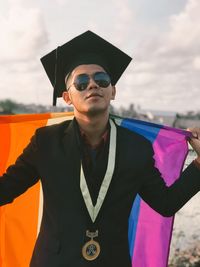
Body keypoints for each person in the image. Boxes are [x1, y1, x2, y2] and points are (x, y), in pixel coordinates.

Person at [0, 30, 200, 267]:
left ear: (112, 91)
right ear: (67, 97)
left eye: (101, 79)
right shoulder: (45, 142)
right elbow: (5, 190)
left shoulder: (137, 148)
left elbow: (166, 204)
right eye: (81, 82)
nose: (92, 85)